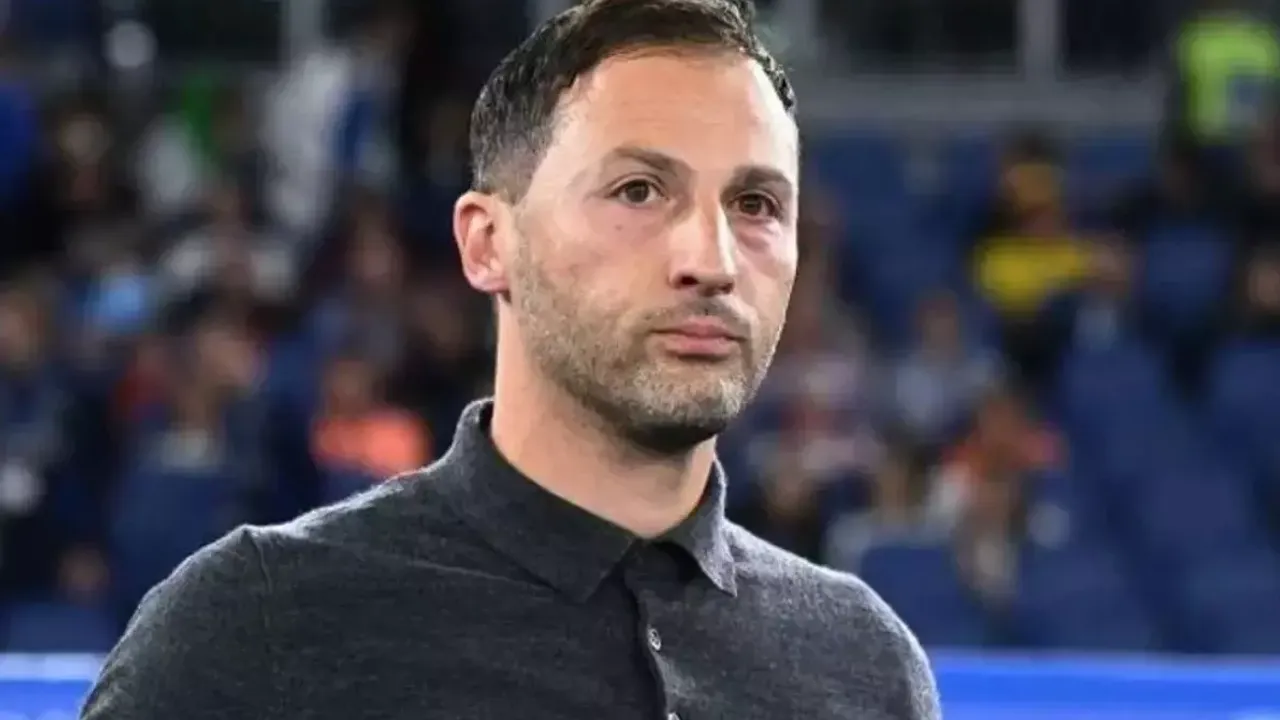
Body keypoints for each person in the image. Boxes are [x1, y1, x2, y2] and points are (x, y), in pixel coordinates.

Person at [81, 1, 939, 718]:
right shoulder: (257, 628)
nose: (711, 260)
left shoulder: (863, 668)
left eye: (756, 203)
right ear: (488, 243)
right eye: (639, 190)